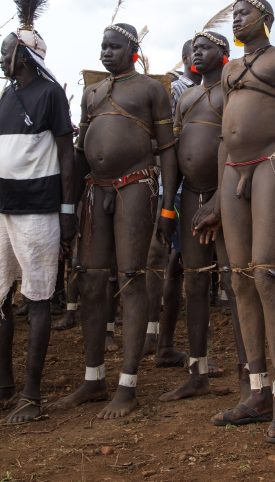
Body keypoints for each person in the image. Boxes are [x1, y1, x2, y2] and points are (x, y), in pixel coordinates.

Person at [194, 0, 275, 444]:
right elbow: (225, 138)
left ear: (266, 19)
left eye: (245, 12)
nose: (237, 18)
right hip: (232, 170)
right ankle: (257, 393)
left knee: (267, 274)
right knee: (239, 279)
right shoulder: (230, 71)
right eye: (233, 14)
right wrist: (213, 198)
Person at [57, 22, 178, 419]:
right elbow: (78, 154)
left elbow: (168, 151)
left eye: (114, 47)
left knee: (130, 278)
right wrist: (69, 208)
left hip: (136, 186)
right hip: (95, 190)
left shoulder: (151, 90)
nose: (106, 53)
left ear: (133, 50)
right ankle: (93, 378)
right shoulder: (92, 93)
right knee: (91, 281)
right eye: (103, 47)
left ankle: (127, 384)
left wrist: (166, 208)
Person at [0, 0, 76, 423]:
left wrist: (67, 213)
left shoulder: (49, 95)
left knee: (39, 298)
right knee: (2, 299)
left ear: (24, 53)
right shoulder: (6, 96)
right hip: (4, 210)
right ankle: (5, 385)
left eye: (7, 45)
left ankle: (31, 395)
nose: (2, 49)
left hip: (38, 212)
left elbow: (67, 157)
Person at [159, 31, 248, 402]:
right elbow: (177, 157)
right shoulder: (187, 97)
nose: (197, 51)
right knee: (193, 283)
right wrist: (168, 208)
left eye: (205, 46)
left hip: (226, 198)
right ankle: (198, 372)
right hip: (191, 199)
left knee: (236, 283)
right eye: (194, 47)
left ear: (224, 54)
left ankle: (250, 375)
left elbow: (239, 147)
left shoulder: (233, 92)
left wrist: (220, 203)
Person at [142, 40, 201, 356]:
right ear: (185, 58)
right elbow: (170, 140)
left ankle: (165, 340)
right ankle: (161, 339)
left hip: (194, 188)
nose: (200, 58)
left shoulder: (208, 90)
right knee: (176, 262)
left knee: (182, 263)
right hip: (178, 190)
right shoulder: (177, 89)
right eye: (195, 53)